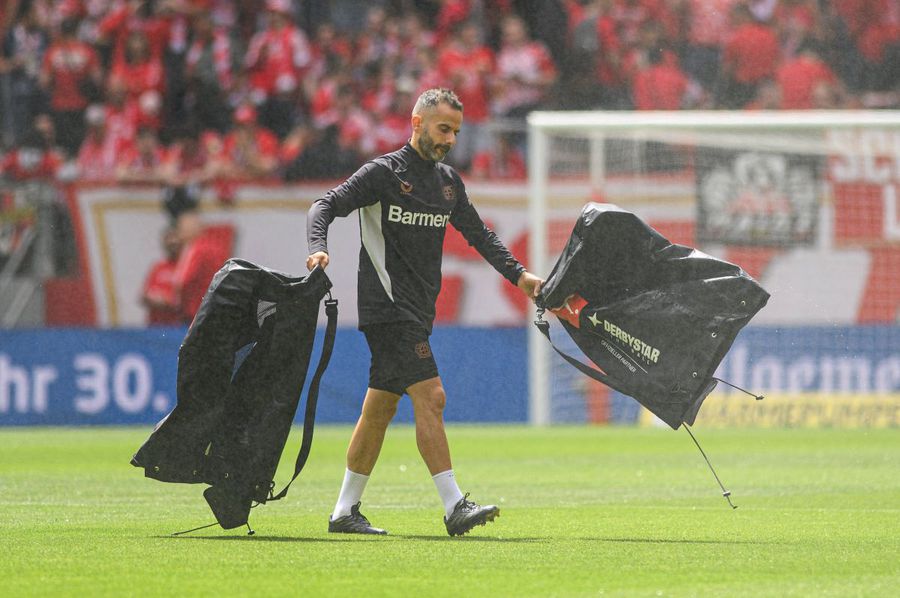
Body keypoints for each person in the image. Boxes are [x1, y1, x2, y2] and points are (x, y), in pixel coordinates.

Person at [306, 88, 543, 537]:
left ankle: (343, 511)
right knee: (432, 396)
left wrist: (521, 277)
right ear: (416, 123)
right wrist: (317, 248)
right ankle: (455, 505)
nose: (450, 138)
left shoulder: (448, 182)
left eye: (455, 130)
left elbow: (480, 235)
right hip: (386, 310)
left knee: (378, 409)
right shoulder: (383, 173)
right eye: (442, 128)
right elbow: (324, 206)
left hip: (416, 313)